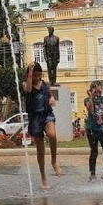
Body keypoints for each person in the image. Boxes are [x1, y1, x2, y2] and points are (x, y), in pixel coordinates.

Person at [24, 61, 62, 189]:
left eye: (39, 75)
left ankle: (54, 161)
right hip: (34, 118)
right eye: (34, 75)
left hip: (46, 114)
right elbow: (28, 89)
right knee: (40, 150)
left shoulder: (45, 84)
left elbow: (50, 95)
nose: (37, 78)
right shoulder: (26, 84)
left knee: (52, 134)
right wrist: (30, 71)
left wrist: (51, 99)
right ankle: (43, 177)